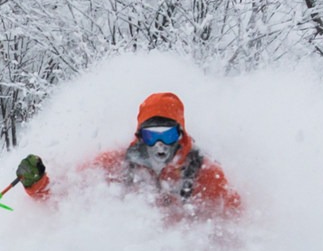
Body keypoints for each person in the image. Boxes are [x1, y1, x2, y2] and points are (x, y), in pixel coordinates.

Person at [14, 91, 241, 225]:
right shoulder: (118, 163)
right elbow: (66, 197)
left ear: (180, 134)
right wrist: (36, 183)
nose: (160, 145)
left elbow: (235, 221)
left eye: (168, 134)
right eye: (152, 135)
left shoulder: (203, 172)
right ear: (140, 135)